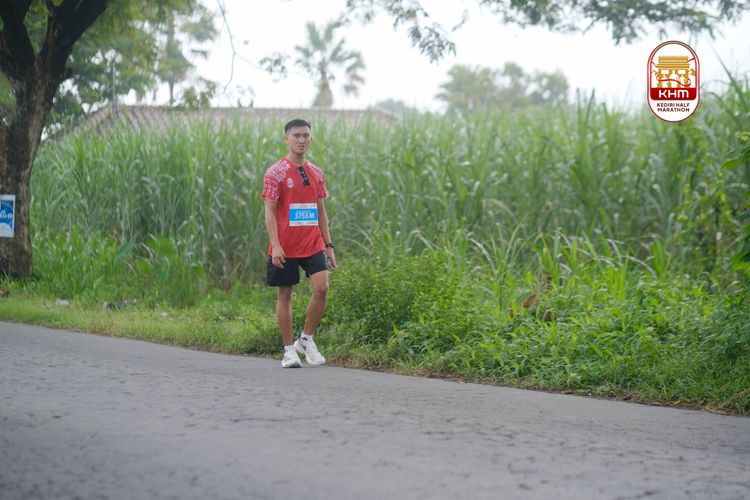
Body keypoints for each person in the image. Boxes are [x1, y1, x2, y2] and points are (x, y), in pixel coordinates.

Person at [262, 119, 337, 368]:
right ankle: (288, 351)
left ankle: (305, 340)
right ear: (287, 139)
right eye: (296, 135)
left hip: (313, 242)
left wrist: (329, 245)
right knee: (285, 294)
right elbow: (269, 211)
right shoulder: (275, 173)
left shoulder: (316, 172)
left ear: (311, 139)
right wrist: (276, 245)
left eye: (306, 135)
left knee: (322, 288)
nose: (301, 140)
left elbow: (321, 210)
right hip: (285, 245)